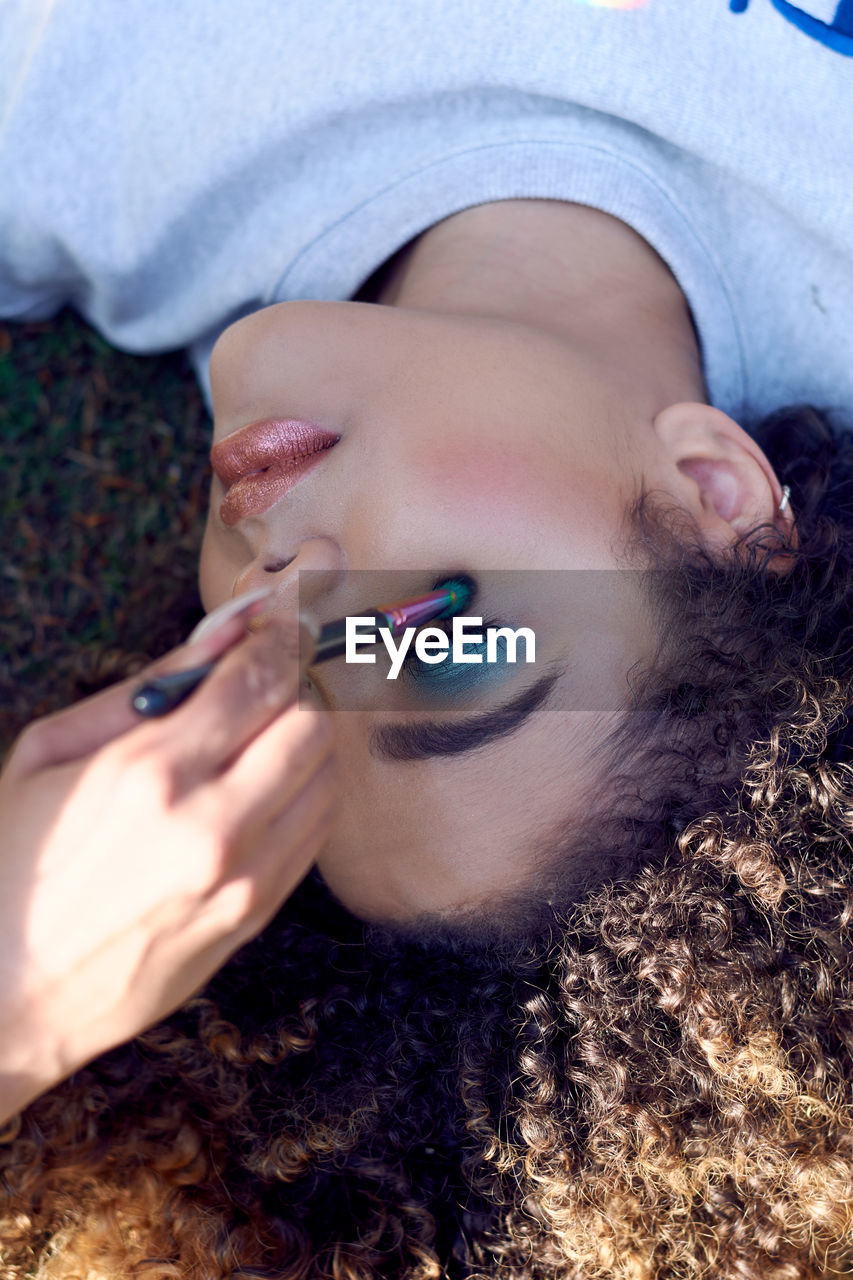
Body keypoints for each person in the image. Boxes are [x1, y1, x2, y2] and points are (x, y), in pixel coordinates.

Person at [1, 1, 853, 1274]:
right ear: (714, 494)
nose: (285, 591)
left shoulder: (73, 131)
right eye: (431, 638)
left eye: (278, 688)